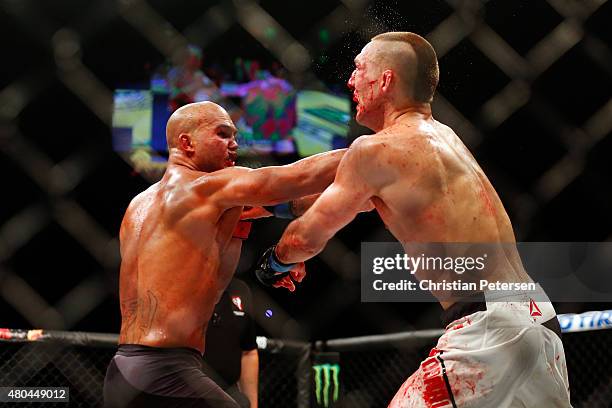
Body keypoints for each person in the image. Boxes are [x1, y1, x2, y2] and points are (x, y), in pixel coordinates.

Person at [254, 32, 571, 407]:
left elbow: (306, 237)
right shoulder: (445, 139)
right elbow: (344, 199)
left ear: (386, 80)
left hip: (488, 329)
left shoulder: (374, 150)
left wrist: (273, 262)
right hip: (538, 319)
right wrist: (268, 208)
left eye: (358, 69)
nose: (350, 81)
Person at [103, 101, 344, 408]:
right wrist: (374, 149)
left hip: (123, 370)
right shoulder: (205, 187)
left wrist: (355, 195)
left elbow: (295, 202)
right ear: (186, 143)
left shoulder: (142, 204)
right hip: (165, 371)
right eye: (222, 134)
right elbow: (294, 179)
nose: (234, 144)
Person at [203, 279, 258, 408]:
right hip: (185, 393)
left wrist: (253, 405)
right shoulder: (183, 285)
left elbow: (248, 351)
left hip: (227, 394)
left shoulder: (240, 289)